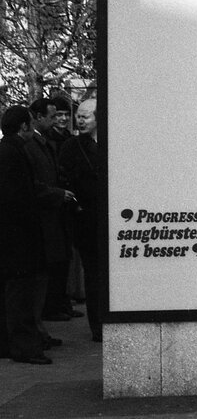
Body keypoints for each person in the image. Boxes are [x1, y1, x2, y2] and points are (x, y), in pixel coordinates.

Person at [0, 106, 54, 365]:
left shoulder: (7, 149)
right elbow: (18, 198)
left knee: (13, 292)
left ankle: (11, 343)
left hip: (11, 236)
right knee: (20, 294)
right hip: (18, 238)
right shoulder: (14, 153)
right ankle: (24, 347)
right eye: (30, 123)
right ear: (23, 126)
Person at [26, 99, 75, 327]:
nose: (57, 120)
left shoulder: (44, 142)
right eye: (53, 116)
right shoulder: (31, 145)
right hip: (45, 215)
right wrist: (56, 193)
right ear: (38, 117)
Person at [57, 98, 102, 342]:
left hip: (111, 221)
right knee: (93, 275)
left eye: (86, 116)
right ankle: (97, 325)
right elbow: (64, 180)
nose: (80, 120)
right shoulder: (71, 147)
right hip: (86, 222)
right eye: (79, 116)